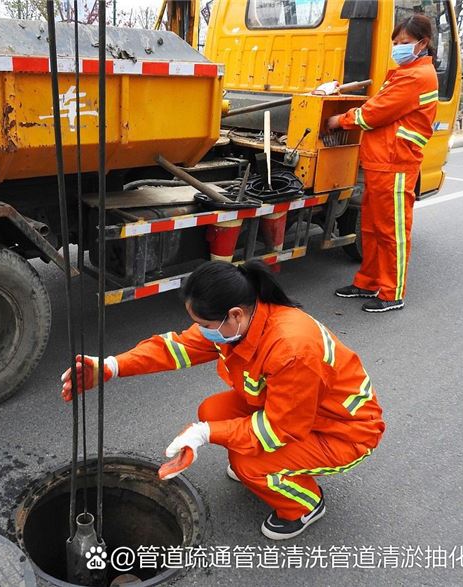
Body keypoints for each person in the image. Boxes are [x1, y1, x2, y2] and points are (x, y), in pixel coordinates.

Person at [61, 260, 385, 540]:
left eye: (204, 325)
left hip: (344, 432)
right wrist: (111, 367)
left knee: (248, 464)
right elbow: (175, 349)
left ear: (234, 315)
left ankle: (304, 504)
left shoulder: (291, 348)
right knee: (213, 411)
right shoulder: (241, 322)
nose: (201, 331)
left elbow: (278, 430)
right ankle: (271, 468)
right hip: (300, 413)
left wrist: (205, 434)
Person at [326, 14, 439, 312]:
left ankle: (391, 293)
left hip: (396, 163)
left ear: (422, 43)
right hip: (382, 161)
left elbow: (373, 113)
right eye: (396, 42)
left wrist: (340, 120)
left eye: (404, 42)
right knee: (372, 229)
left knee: (392, 232)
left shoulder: (416, 77)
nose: (398, 48)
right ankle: (367, 282)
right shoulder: (406, 73)